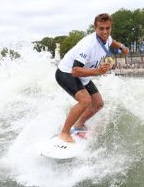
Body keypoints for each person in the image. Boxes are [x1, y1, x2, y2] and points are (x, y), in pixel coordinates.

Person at [55, 13, 129, 143]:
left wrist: (122, 47)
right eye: (101, 28)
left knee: (98, 103)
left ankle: (78, 124)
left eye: (108, 28)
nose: (105, 32)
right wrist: (97, 71)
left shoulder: (107, 38)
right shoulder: (88, 45)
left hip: (83, 75)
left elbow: (113, 42)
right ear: (95, 28)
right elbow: (75, 70)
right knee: (85, 101)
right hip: (66, 72)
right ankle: (64, 133)